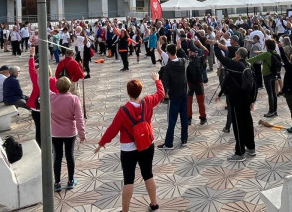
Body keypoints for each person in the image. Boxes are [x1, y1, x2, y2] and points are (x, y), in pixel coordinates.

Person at [95, 73, 164, 212]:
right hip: (147, 144)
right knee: (148, 174)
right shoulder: (148, 101)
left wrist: (101, 143)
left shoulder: (123, 110)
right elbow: (161, 94)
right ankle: (154, 204)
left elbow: (112, 130)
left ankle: (125, 210)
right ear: (140, 91)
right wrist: (157, 80)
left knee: (129, 180)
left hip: (128, 149)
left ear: (128, 93)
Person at [214, 43, 257, 162]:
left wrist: (216, 45)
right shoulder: (248, 65)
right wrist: (252, 100)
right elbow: (255, 84)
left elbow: (221, 58)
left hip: (237, 99)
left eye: (236, 53)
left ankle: (240, 152)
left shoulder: (236, 66)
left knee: (238, 125)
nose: (235, 54)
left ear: (238, 55)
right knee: (248, 122)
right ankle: (251, 148)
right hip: (247, 98)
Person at [50, 76, 85, 191]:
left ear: (56, 87)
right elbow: (79, 118)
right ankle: (70, 180)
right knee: (70, 156)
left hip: (55, 133)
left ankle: (57, 182)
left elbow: (42, 86)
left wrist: (41, 73)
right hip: (70, 132)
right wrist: (82, 134)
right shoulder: (74, 99)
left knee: (57, 157)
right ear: (69, 87)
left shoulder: (51, 97)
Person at [158, 43, 189, 150]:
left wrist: (163, 95)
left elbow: (164, 83)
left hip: (174, 96)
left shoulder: (168, 67)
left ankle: (169, 143)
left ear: (167, 52)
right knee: (184, 118)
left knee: (172, 120)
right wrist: (180, 48)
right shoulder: (183, 62)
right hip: (184, 94)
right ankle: (184, 140)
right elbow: (186, 57)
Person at [26, 47, 58, 145]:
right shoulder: (53, 81)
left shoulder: (35, 78)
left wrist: (31, 56)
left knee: (38, 128)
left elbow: (31, 69)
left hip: (36, 108)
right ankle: (50, 146)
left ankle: (40, 146)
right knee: (50, 127)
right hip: (49, 107)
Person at [248, 39, 280, 118]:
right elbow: (267, 53)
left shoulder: (266, 54)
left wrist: (243, 61)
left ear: (267, 46)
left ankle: (271, 111)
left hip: (267, 75)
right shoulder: (274, 52)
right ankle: (275, 110)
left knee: (270, 94)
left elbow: (254, 59)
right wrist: (261, 52)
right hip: (273, 74)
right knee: (274, 92)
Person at [187, 43, 208, 125]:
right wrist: (200, 44)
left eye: (190, 51)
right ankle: (203, 118)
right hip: (199, 84)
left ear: (193, 52)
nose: (189, 53)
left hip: (190, 84)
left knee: (189, 102)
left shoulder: (187, 60)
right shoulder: (201, 59)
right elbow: (206, 51)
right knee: (200, 102)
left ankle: (189, 118)